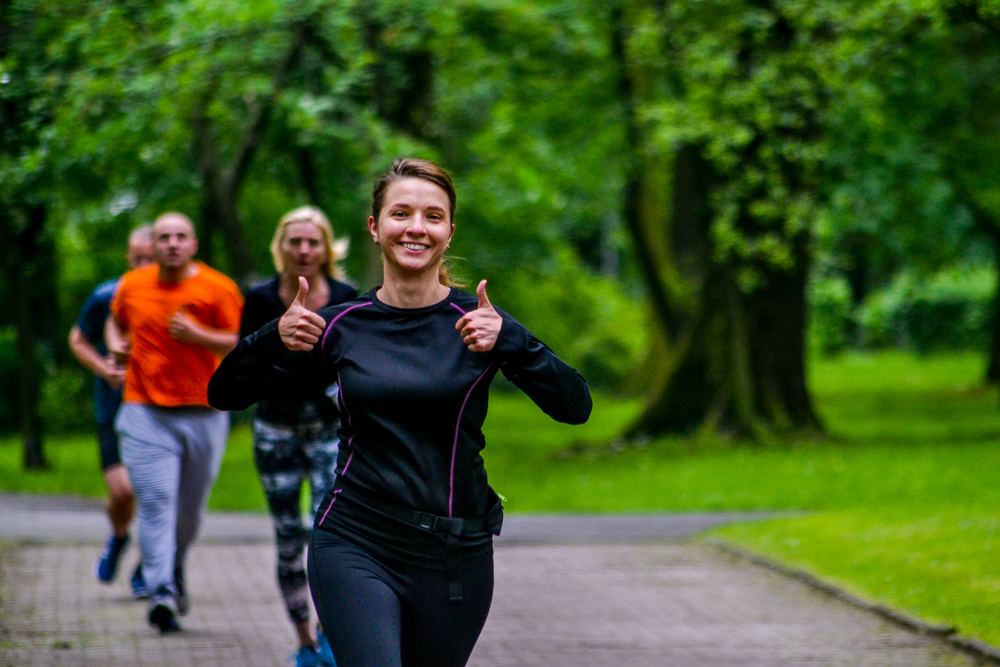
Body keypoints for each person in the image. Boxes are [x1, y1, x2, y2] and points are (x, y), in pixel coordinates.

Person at [208, 158, 592, 667]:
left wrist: (514, 342)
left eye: (433, 216)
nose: (416, 227)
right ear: (375, 227)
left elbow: (576, 406)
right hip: (355, 539)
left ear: (449, 233)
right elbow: (224, 392)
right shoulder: (340, 326)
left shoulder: (478, 325)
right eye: (401, 213)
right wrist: (270, 338)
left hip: (456, 551)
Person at [106, 212, 244, 633]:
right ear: (154, 244)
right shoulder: (132, 285)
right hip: (145, 410)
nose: (171, 243)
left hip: (205, 411)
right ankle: (161, 590)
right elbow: (115, 321)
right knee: (156, 503)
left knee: (190, 512)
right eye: (163, 236)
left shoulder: (218, 288)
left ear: (194, 243)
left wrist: (199, 334)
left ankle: (176, 564)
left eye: (180, 236)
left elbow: (241, 340)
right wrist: (116, 346)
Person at [241, 206, 357, 667]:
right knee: (289, 536)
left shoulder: (346, 296)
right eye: (295, 242)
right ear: (281, 248)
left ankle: (332, 637)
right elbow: (244, 362)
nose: (304, 250)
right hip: (275, 432)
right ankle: (304, 641)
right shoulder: (260, 299)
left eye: (313, 242)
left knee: (329, 535)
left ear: (328, 248)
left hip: (329, 432)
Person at [68, 225, 154, 597]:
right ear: (128, 257)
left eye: (149, 258)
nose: (143, 265)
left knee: (154, 496)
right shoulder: (107, 294)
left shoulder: (176, 297)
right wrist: (102, 368)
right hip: (113, 407)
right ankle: (119, 537)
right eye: (137, 258)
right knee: (122, 493)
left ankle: (146, 569)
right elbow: (78, 339)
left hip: (158, 409)